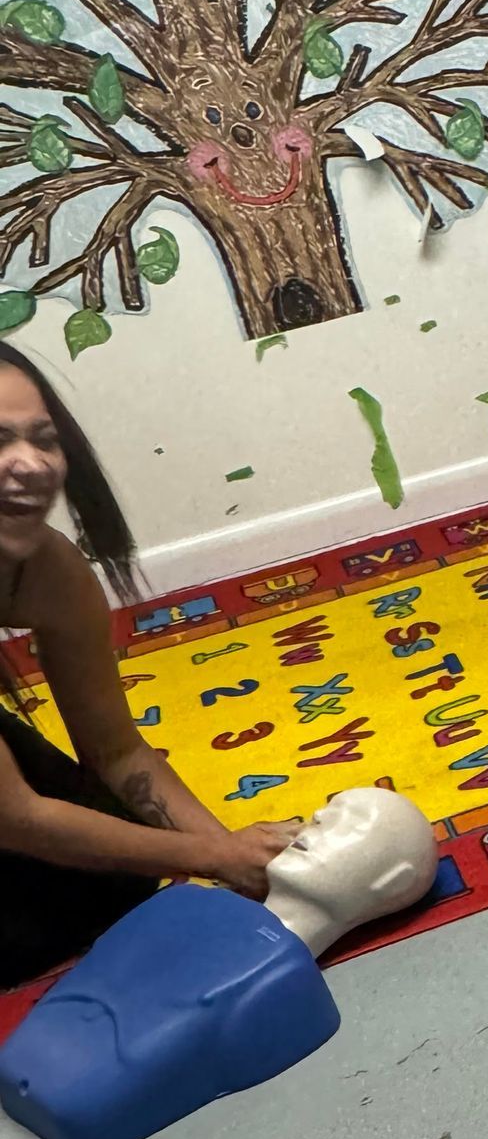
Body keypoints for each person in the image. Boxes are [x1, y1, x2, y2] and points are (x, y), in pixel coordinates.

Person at [0, 345, 297, 990]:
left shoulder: (50, 570)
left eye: (43, 439)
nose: (28, 464)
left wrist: (243, 864)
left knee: (116, 874)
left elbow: (116, 749)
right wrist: (215, 856)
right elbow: (15, 818)